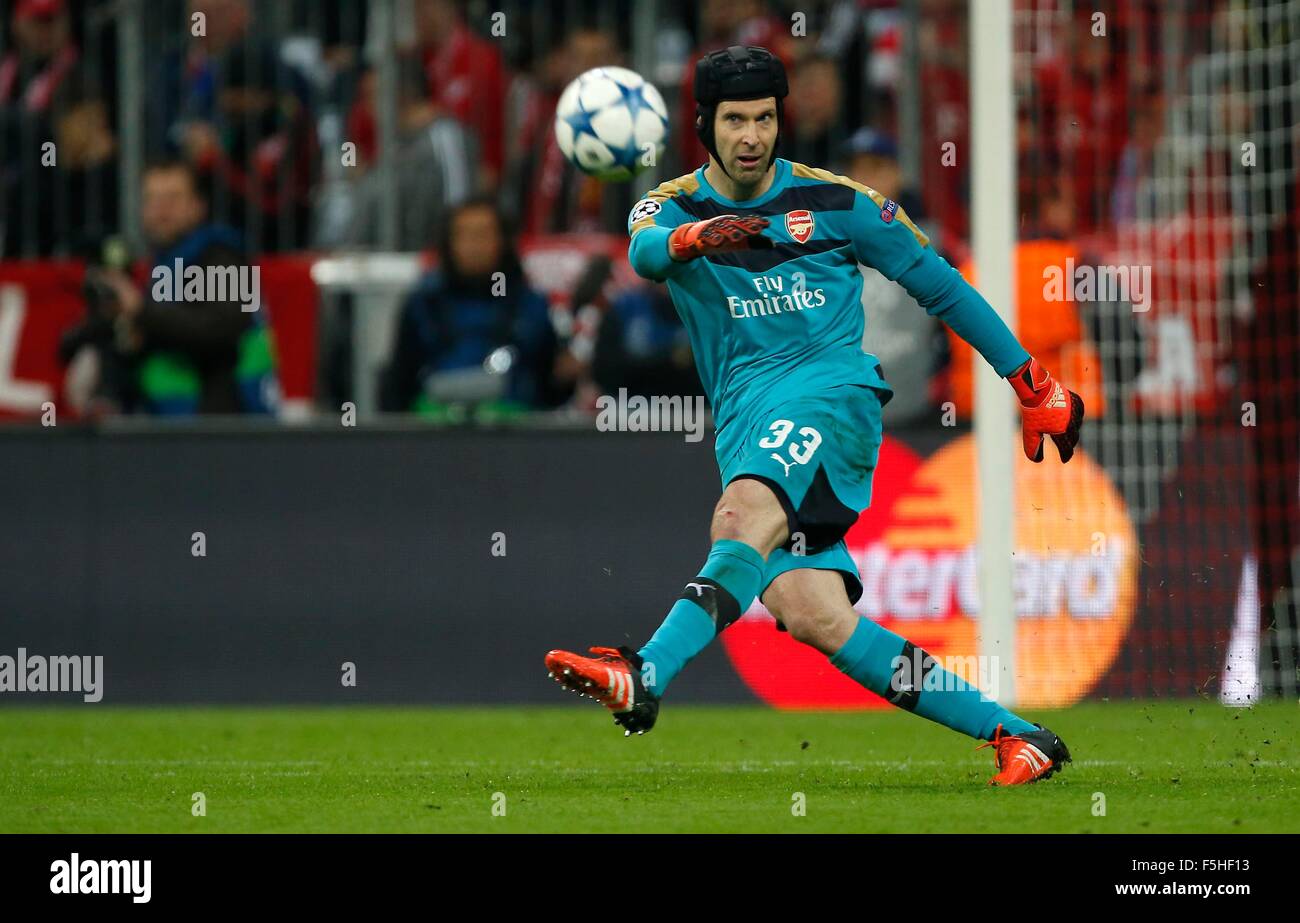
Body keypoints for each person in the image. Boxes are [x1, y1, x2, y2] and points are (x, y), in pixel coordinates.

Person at [544, 46, 1085, 786]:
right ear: (705, 123)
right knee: (814, 614)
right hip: (745, 423)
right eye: (734, 120)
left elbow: (941, 285)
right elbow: (645, 254)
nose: (751, 136)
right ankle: (1020, 736)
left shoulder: (838, 202)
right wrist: (693, 238)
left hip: (829, 399)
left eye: (764, 119)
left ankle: (645, 670)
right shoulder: (671, 204)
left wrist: (1031, 381)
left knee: (740, 518)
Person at [79, 159, 277, 415]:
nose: (161, 210)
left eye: (173, 198)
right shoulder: (163, 263)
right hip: (173, 423)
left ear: (198, 206)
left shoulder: (223, 256)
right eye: (152, 199)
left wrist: (140, 311)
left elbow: (222, 329)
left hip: (223, 425)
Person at [378, 197, 557, 416]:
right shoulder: (423, 304)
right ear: (448, 243)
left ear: (503, 241)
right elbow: (399, 381)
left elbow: (551, 387)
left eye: (483, 235)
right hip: (432, 434)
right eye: (464, 235)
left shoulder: (532, 306)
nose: (474, 246)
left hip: (516, 434)